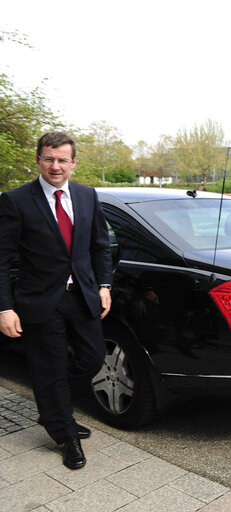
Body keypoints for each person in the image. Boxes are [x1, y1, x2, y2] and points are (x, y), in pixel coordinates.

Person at [0, 132, 112, 470]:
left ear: (74, 163)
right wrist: (5, 307)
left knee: (93, 358)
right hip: (40, 301)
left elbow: (100, 246)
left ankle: (51, 404)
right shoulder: (15, 200)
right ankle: (66, 437)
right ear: (38, 160)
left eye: (63, 160)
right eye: (49, 158)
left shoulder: (87, 195)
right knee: (49, 368)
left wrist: (104, 285)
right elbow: (2, 259)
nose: (55, 166)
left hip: (82, 296)